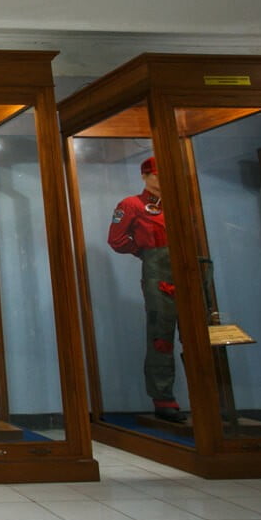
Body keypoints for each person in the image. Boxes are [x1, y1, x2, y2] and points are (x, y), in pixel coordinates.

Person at [108, 155, 185, 424]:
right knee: (161, 336)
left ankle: (207, 394)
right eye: (155, 174)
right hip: (158, 274)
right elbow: (116, 240)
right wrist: (145, 253)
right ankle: (163, 398)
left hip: (189, 270)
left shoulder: (180, 202)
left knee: (199, 334)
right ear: (145, 176)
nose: (160, 179)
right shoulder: (132, 205)